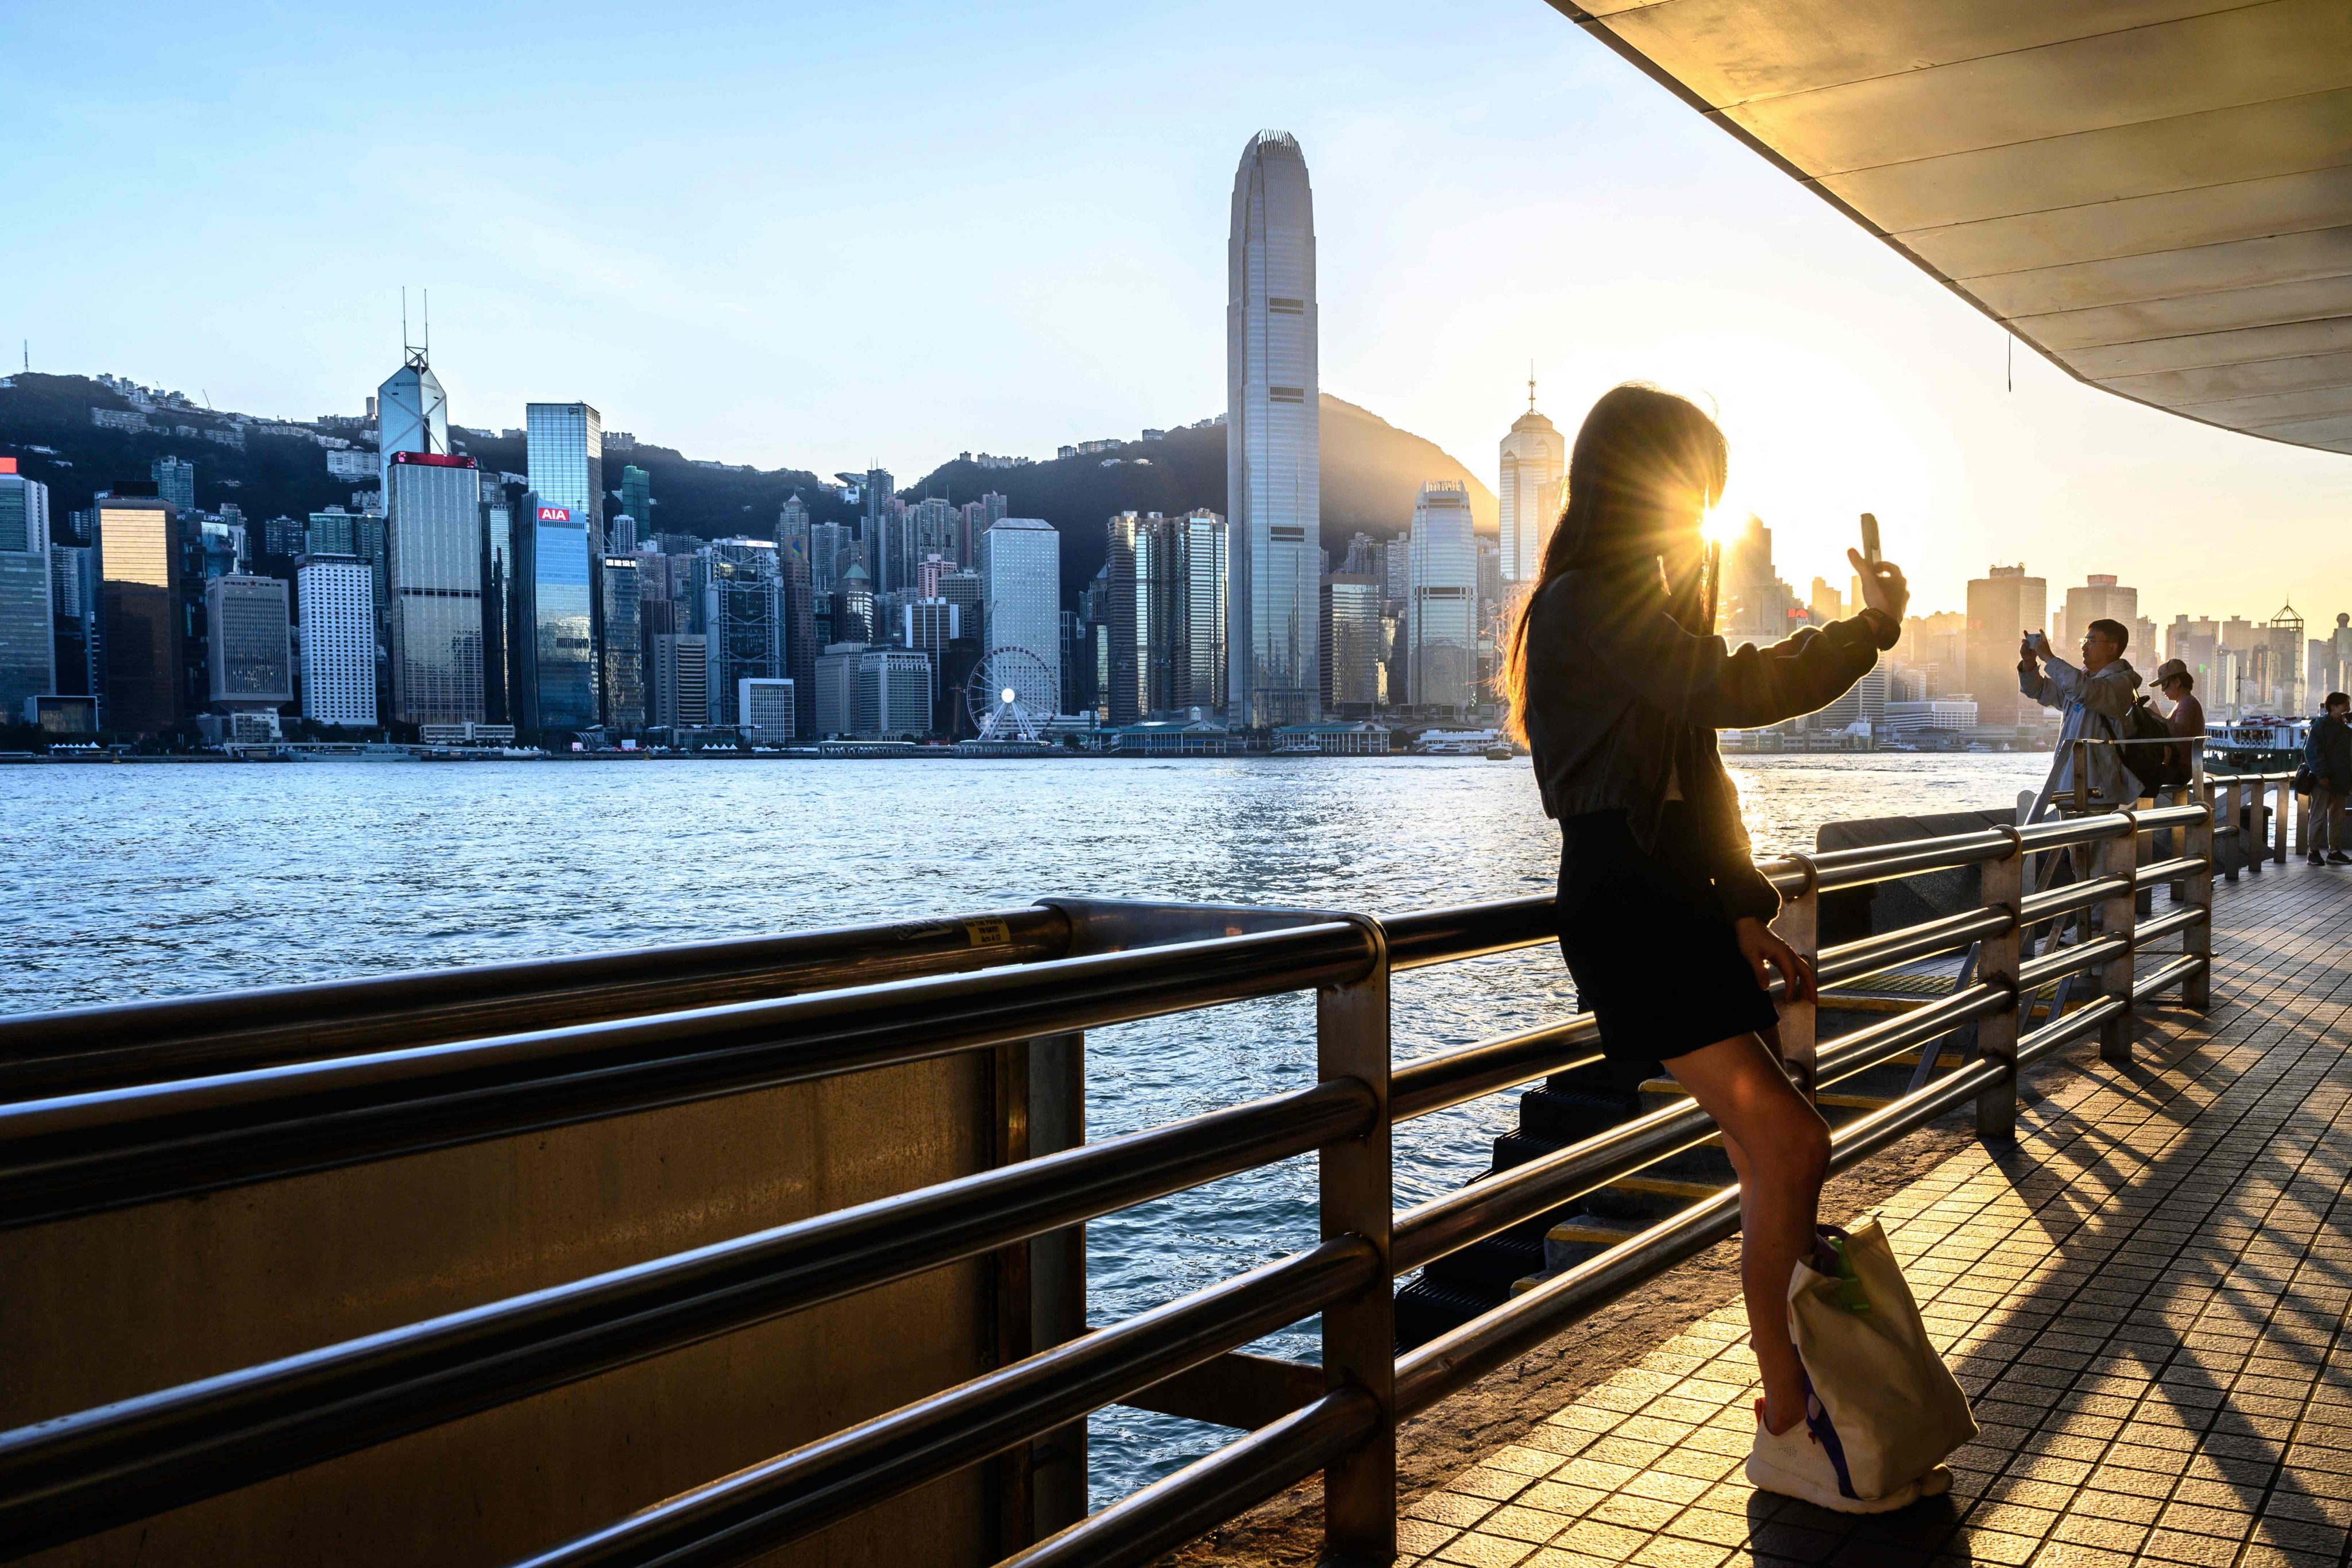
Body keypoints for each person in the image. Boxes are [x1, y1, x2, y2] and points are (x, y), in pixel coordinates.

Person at [1504, 384, 1933, 1513]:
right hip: (1627, 905)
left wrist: (1744, 906)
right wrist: (1867, 630)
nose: (1703, 502)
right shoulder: (1590, 598)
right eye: (1693, 481)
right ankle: (1787, 1417)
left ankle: (1795, 1413)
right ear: (1638, 479)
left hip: (1675, 899)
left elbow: (1694, 765)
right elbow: (1732, 690)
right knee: (1789, 1148)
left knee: (1777, 1157)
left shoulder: (1627, 596)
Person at [2019, 618, 2143, 817]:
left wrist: (2049, 658)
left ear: (2112, 648)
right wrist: (2029, 663)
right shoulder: (2084, 679)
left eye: (2091, 642)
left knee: (2095, 845)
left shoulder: (2120, 683)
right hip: (2069, 785)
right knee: (2073, 846)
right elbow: (2040, 690)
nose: (2084, 647)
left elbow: (2084, 692)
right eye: (2083, 641)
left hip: (2097, 787)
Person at [2306, 692, 2351, 866]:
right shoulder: (2320, 727)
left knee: (2338, 817)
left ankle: (2334, 851)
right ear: (2333, 707)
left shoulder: (2345, 729)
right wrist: (2322, 774)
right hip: (2323, 780)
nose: (2348, 708)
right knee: (2318, 816)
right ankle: (2314, 852)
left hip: (2341, 780)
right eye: (2345, 705)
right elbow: (2312, 752)